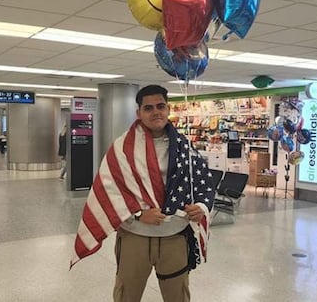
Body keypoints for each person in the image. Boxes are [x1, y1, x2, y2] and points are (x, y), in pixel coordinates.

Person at [71, 85, 215, 301]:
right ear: (138, 113)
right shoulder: (121, 149)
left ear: (168, 109)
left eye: (160, 106)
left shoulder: (185, 146)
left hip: (174, 238)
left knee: (178, 296)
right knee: (127, 294)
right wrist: (138, 214)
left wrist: (201, 207)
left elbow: (203, 183)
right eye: (148, 108)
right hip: (135, 238)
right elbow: (108, 191)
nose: (156, 112)